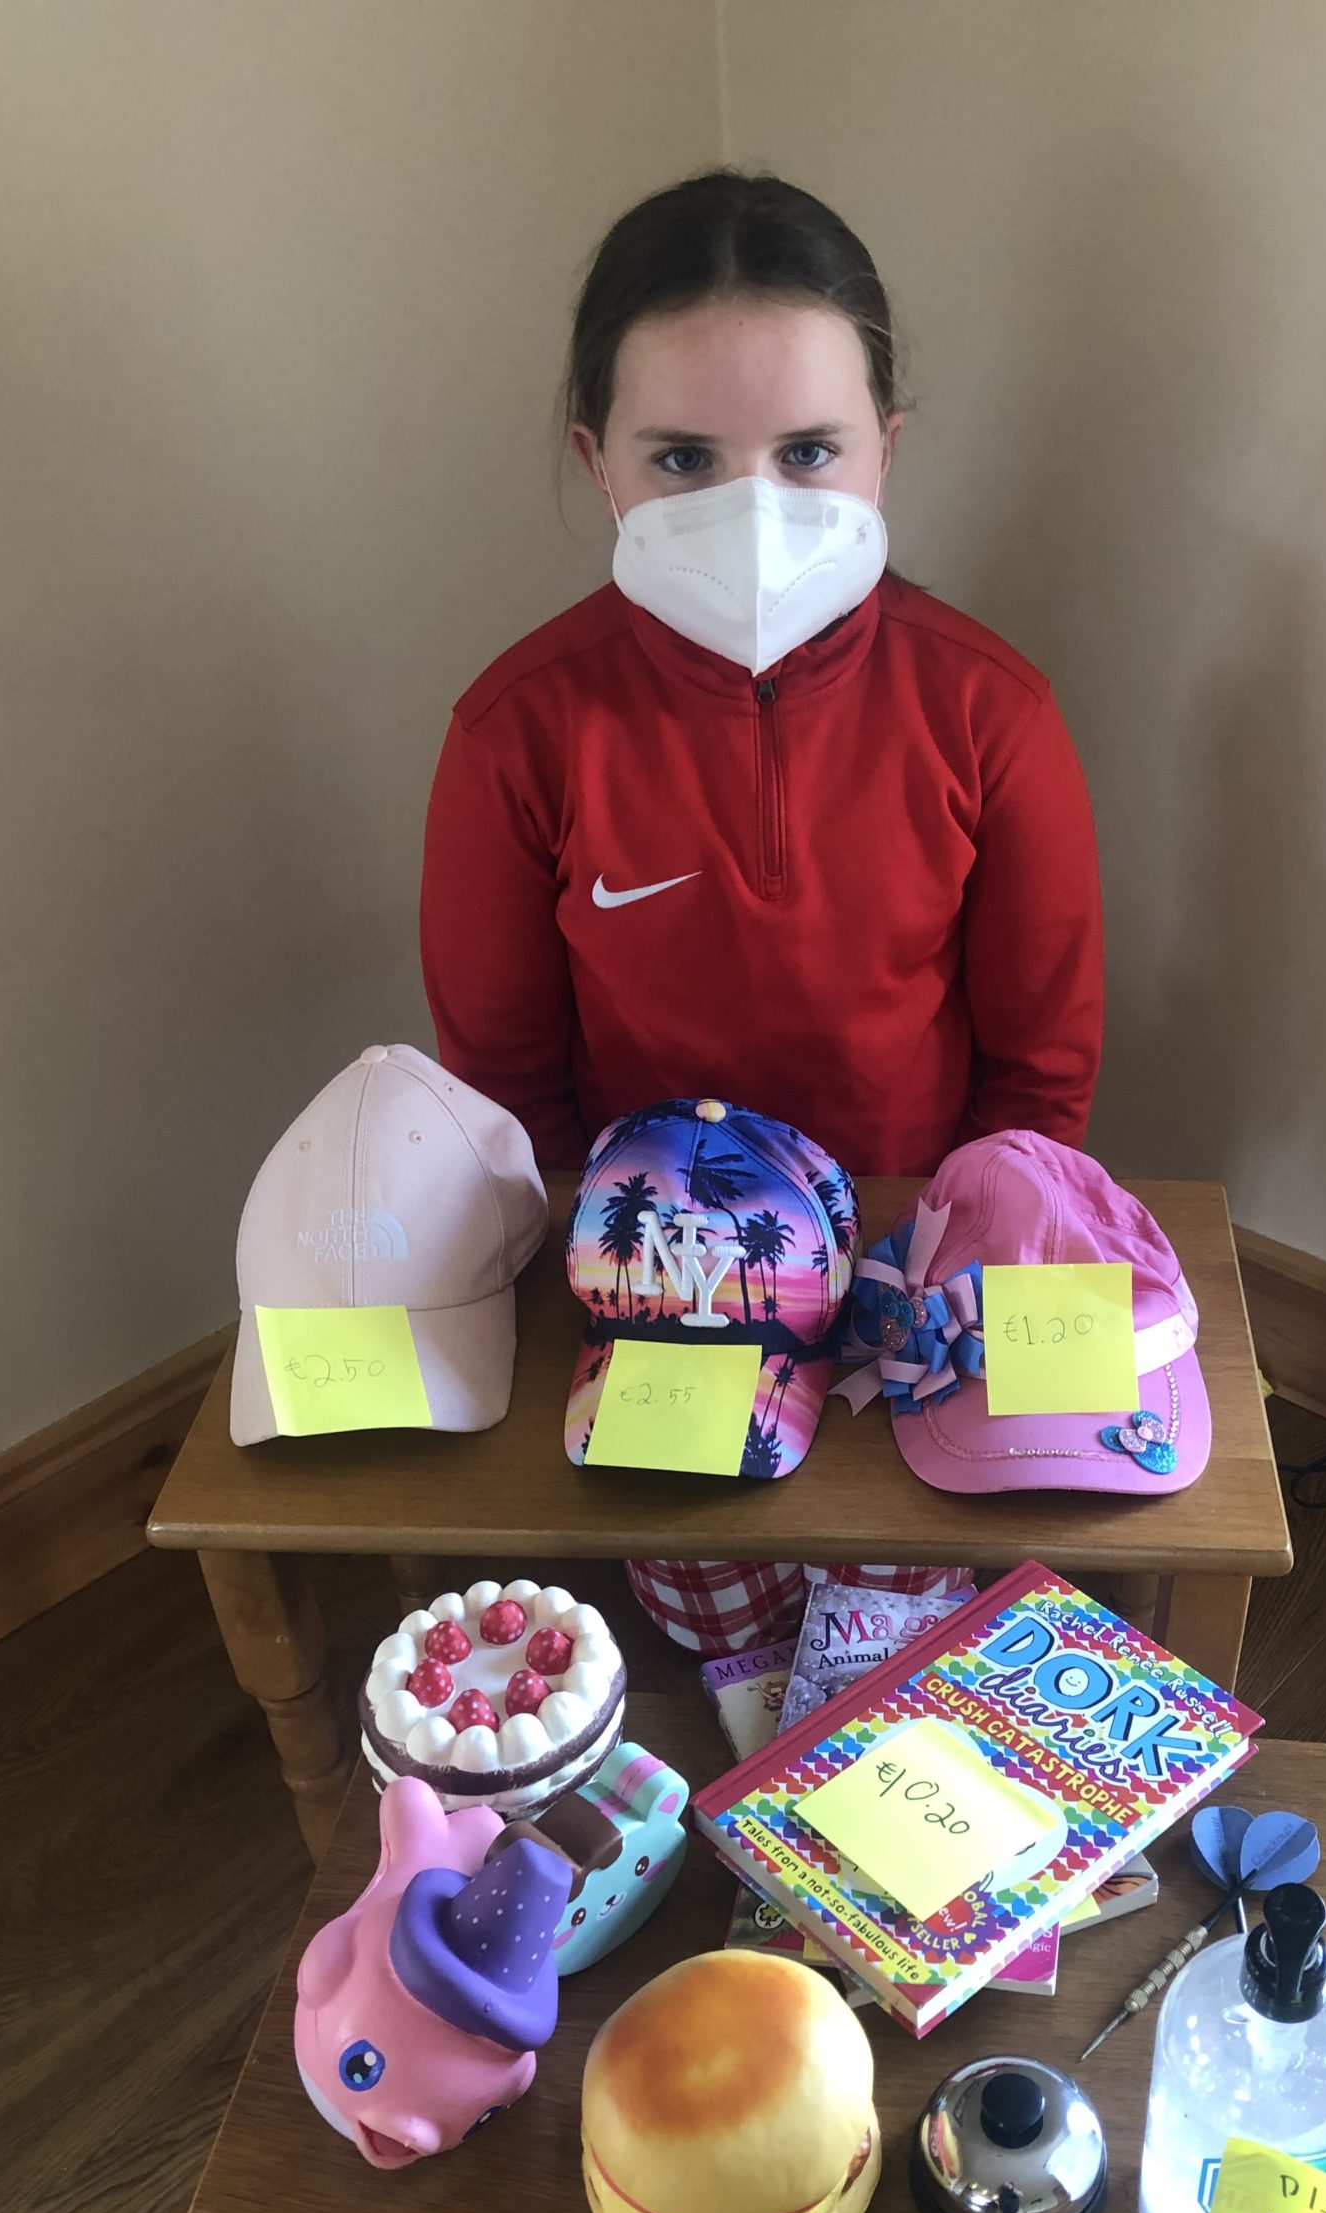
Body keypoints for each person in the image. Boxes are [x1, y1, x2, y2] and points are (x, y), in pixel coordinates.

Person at [420, 169, 1103, 1649]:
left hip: (923, 1260)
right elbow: (508, 1086)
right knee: (718, 1625)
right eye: (684, 457)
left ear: (886, 451)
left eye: (807, 451)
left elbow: (1041, 1072)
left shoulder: (990, 713)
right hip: (662, 1281)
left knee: (913, 1625)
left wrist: (946, 1283)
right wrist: (619, 1290)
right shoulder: (519, 734)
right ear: (599, 462)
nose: (752, 511)